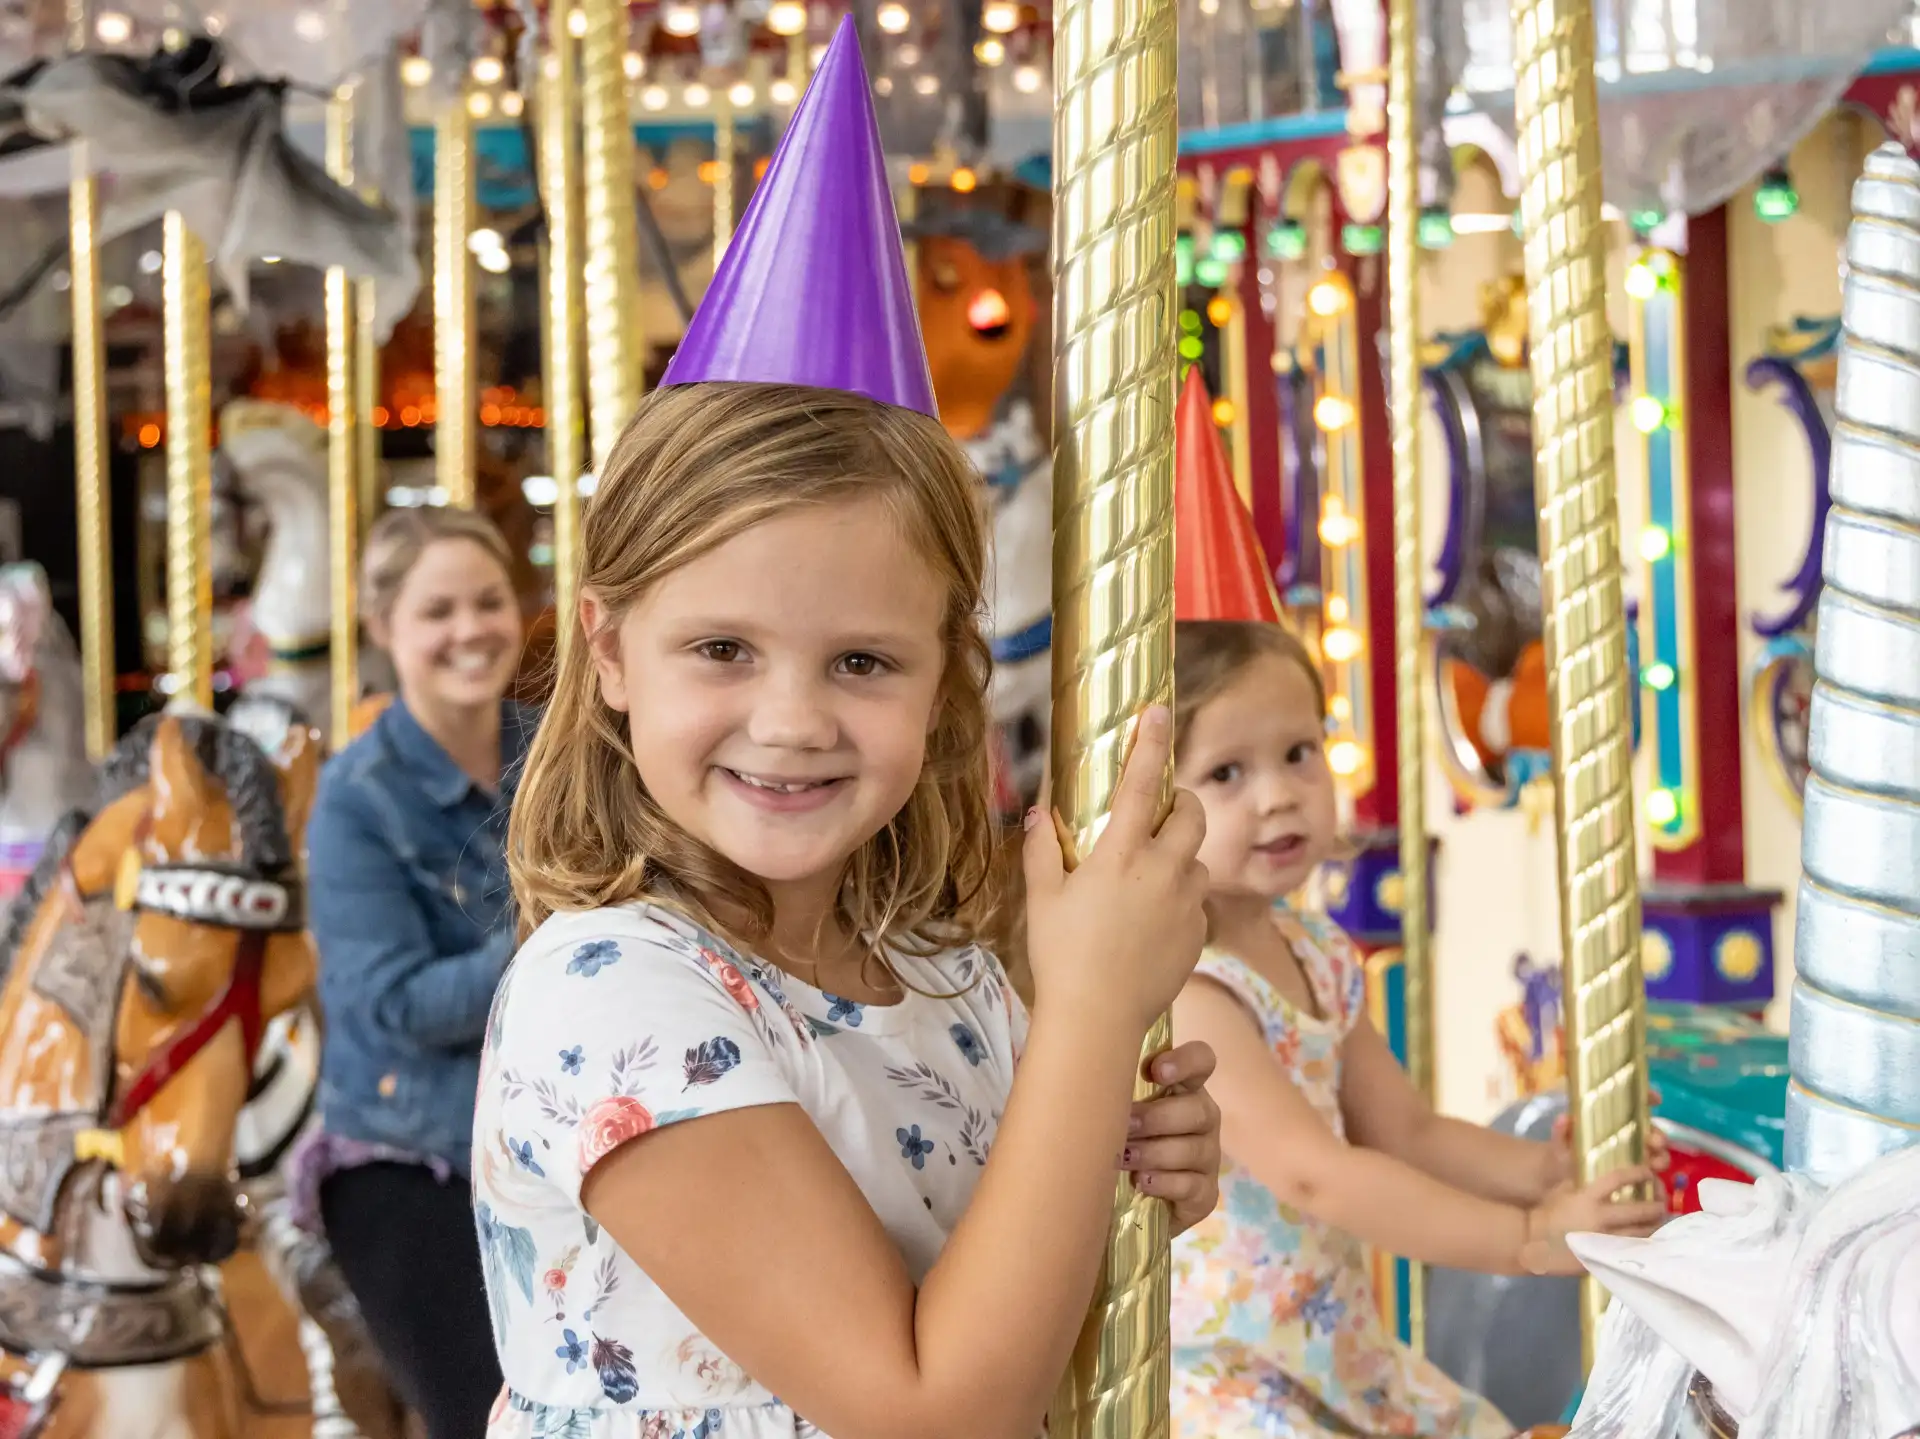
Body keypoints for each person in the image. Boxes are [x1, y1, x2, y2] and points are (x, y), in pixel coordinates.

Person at [472, 22, 1221, 1439]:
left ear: (947, 680)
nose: (793, 719)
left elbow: (1003, 1299)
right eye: (722, 649)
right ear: (609, 646)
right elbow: (932, 1406)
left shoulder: (947, 977)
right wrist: (1093, 1023)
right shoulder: (617, 996)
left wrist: (1124, 1176)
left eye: (863, 658)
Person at [1162, 370, 1669, 1439]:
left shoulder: (1315, 949)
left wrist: (1546, 1167)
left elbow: (1405, 1127)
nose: (1280, 793)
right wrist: (1530, 1236)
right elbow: (1320, 1172)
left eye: (1299, 752)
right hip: (1223, 1371)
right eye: (1227, 773)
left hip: (1332, 1345)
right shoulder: (1190, 989)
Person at [299, 504, 535, 1439]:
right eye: (438, 610)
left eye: (488, 601)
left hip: (550, 1127)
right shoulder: (357, 799)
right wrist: (557, 941)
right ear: (384, 628)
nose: (470, 628)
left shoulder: (555, 751)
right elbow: (394, 1002)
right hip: (417, 1152)